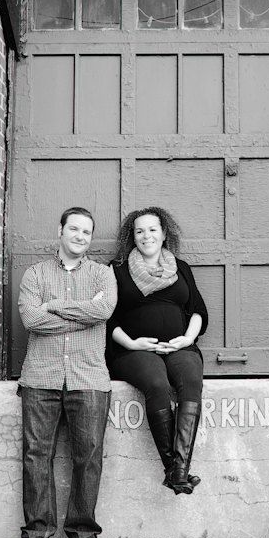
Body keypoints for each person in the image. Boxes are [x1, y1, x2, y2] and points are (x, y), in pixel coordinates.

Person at [14, 207, 118, 538]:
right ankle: (36, 535)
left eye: (86, 231)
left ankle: (84, 536)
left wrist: (55, 307)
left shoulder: (103, 274)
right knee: (35, 456)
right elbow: (31, 319)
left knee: (88, 457)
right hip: (40, 378)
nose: (80, 236)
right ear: (60, 231)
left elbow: (103, 310)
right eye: (73, 228)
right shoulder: (35, 274)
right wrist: (81, 315)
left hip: (89, 378)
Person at [107, 206, 208, 495]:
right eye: (139, 231)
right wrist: (131, 343)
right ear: (132, 236)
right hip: (134, 351)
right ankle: (176, 470)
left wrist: (187, 338)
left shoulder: (181, 268)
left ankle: (177, 472)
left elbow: (197, 309)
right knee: (157, 384)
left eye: (152, 229)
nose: (146, 235)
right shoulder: (117, 269)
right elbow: (108, 317)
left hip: (178, 347)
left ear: (164, 234)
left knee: (190, 382)